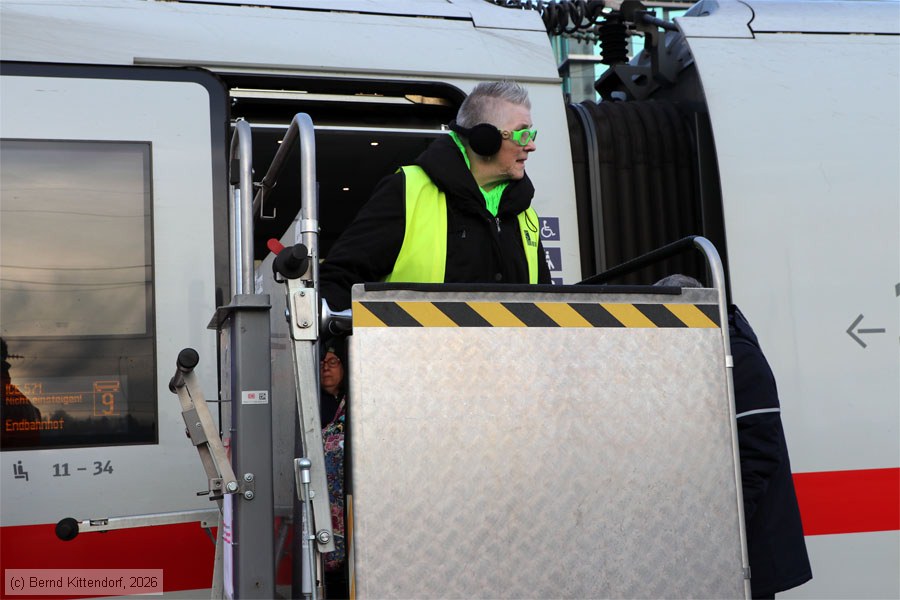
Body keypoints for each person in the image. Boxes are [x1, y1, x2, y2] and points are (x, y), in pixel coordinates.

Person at [319, 80, 552, 311]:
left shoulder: (525, 215)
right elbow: (338, 280)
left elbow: (547, 306)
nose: (531, 145)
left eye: (532, 134)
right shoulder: (406, 192)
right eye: (522, 134)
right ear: (484, 140)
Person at [655, 275, 812, 598]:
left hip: (748, 553)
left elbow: (758, 453)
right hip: (720, 554)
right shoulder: (703, 352)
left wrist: (723, 533)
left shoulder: (738, 356)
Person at [319, 344, 348, 599]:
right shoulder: (312, 406)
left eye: (333, 361)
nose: (326, 367)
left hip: (348, 509)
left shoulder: (355, 403)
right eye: (321, 362)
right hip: (322, 509)